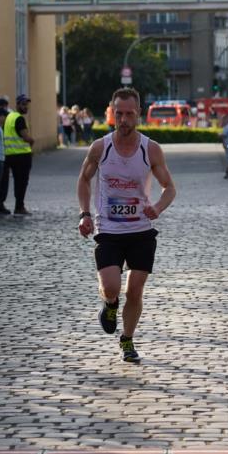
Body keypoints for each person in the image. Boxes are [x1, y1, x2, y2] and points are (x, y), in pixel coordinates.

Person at [77, 87, 176, 364]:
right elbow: (84, 181)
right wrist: (84, 214)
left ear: (138, 114)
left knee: (135, 290)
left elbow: (169, 188)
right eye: (118, 114)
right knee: (111, 287)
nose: (123, 120)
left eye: (129, 114)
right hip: (108, 229)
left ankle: (127, 339)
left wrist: (156, 207)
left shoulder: (150, 149)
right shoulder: (100, 147)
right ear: (112, 113)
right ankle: (109, 304)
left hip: (141, 231)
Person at [0, 94, 34, 215]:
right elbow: (25, 136)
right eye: (23, 104)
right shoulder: (19, 118)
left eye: (27, 104)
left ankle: (1, 204)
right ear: (17, 104)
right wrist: (31, 140)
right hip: (21, 155)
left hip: (9, 154)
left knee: (7, 181)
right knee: (21, 182)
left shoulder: (9, 116)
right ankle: (19, 207)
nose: (26, 107)